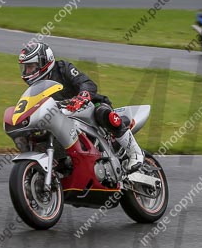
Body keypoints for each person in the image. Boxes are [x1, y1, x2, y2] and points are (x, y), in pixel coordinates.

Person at [18, 42, 144, 171]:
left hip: (88, 106)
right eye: (25, 68)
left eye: (31, 66)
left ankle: (135, 153)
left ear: (44, 62)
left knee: (103, 113)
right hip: (63, 119)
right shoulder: (35, 88)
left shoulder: (63, 68)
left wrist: (82, 96)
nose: (27, 71)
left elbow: (87, 83)